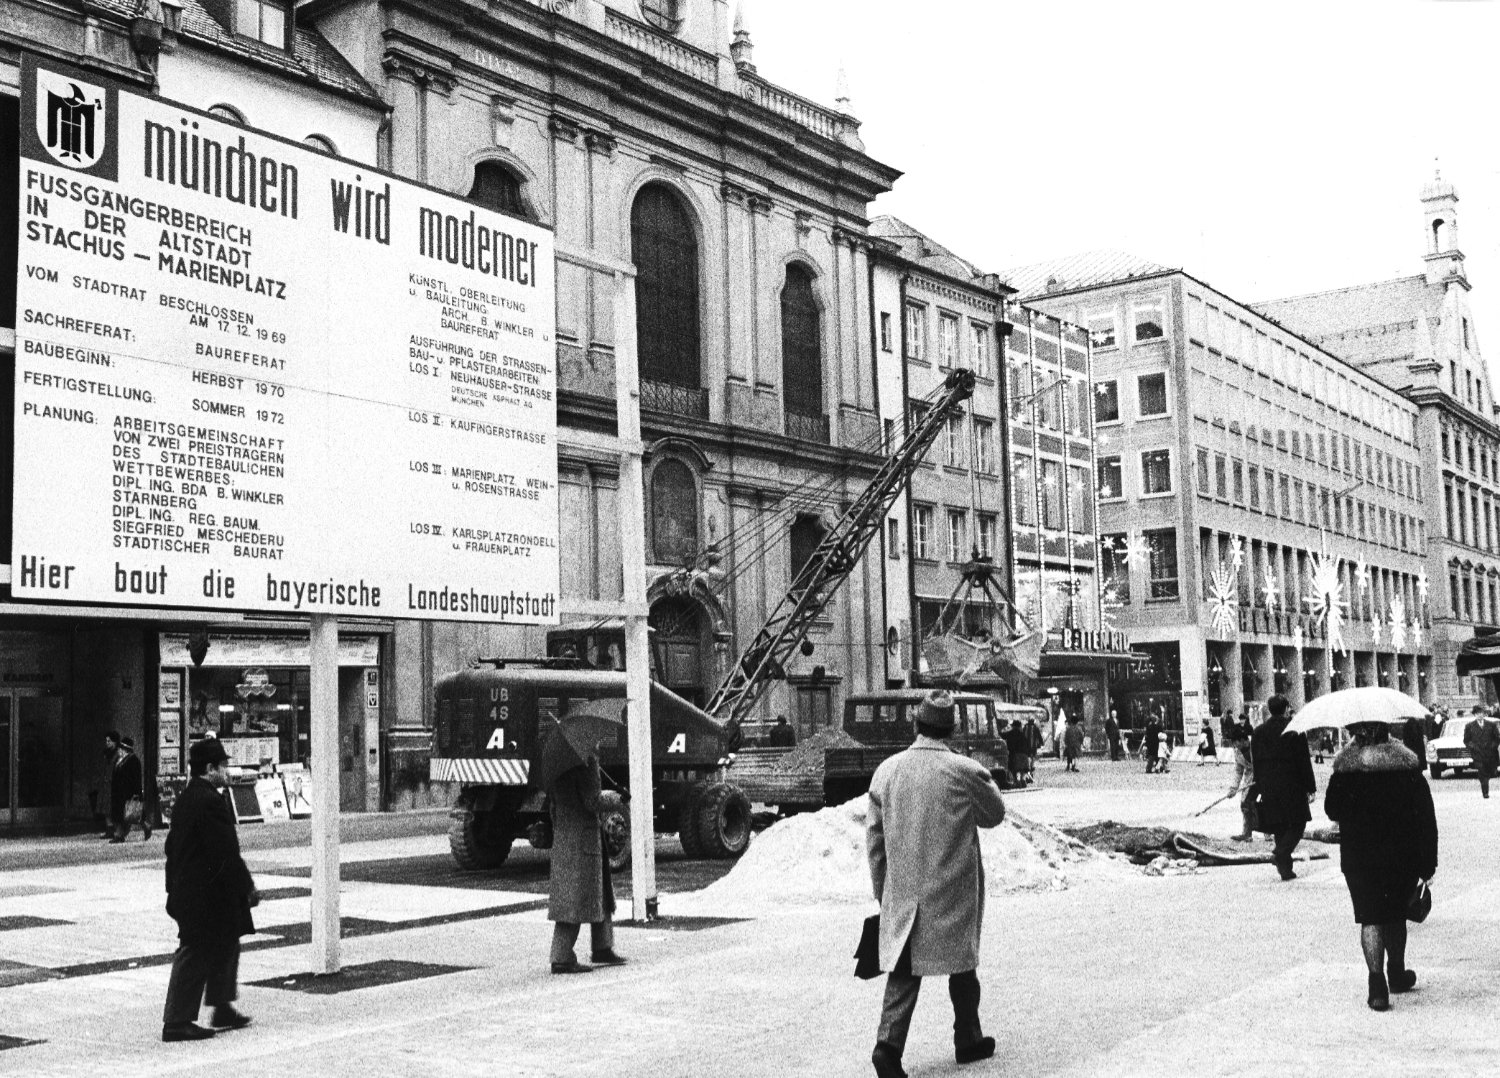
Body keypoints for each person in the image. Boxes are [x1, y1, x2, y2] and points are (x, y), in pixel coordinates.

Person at [866, 691, 1006, 1077]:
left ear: (916, 724)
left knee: (904, 973)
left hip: (906, 894)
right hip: (954, 891)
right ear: (952, 728)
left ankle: (888, 1047)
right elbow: (995, 814)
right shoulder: (964, 771)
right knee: (963, 964)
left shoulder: (887, 772)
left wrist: (884, 892)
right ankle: (968, 1036)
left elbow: (874, 841)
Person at [1323, 721, 1438, 1011]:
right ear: (1388, 732)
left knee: (1370, 917)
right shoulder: (1407, 767)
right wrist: (1428, 862)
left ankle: (1377, 988)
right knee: (1396, 915)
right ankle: (1396, 974)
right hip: (1402, 854)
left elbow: (1331, 810)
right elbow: (1426, 816)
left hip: (1359, 856)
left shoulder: (1346, 770)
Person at [162, 737, 258, 1042]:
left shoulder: (188, 799)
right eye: (224, 765)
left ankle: (221, 1006)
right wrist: (247, 886)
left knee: (227, 941)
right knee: (195, 950)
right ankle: (176, 1021)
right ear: (209, 768)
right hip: (203, 895)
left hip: (196, 890)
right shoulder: (209, 801)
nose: (228, 770)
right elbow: (226, 852)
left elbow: (171, 848)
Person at [546, 747, 626, 974]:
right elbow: (592, 801)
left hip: (564, 836)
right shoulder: (586, 759)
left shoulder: (557, 760)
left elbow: (552, 805)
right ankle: (562, 957)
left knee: (596, 892)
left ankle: (603, 945)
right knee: (577, 898)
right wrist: (617, 798)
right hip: (585, 837)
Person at [1250, 695, 1317, 880]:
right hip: (1292, 784)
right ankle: (1280, 853)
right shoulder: (1295, 730)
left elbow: (1256, 761)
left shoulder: (1259, 732)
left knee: (1279, 825)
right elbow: (1304, 761)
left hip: (1269, 785)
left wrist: (1259, 785)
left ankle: (1285, 870)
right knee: (1298, 822)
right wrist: (1310, 787)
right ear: (1287, 708)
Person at [110, 734, 148, 843]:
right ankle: (119, 835)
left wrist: (137, 793)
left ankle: (145, 826)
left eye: (121, 749)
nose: (118, 751)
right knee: (120, 814)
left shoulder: (133, 760)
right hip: (118, 792)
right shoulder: (119, 760)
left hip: (128, 792)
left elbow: (136, 778)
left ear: (125, 749)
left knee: (131, 815)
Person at [1225, 718, 1256, 842]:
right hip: (1250, 778)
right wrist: (1233, 788)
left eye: (1236, 742)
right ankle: (1247, 833)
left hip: (1264, 777)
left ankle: (1269, 832)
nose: (1235, 745)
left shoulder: (1257, 744)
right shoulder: (1237, 752)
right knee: (1245, 803)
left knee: (1265, 804)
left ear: (1243, 740)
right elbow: (1238, 771)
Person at [1463, 706, 1499, 798]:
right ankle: (1485, 792)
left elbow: (1497, 738)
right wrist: (1473, 747)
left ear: (1484, 714)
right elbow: (1466, 740)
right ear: (1475, 715)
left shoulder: (1491, 725)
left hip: (1490, 754)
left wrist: (1493, 746)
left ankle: (1487, 780)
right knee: (1482, 773)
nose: (1480, 715)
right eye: (1477, 714)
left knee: (1491, 772)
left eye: (1481, 713)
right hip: (1478, 754)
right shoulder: (1469, 726)